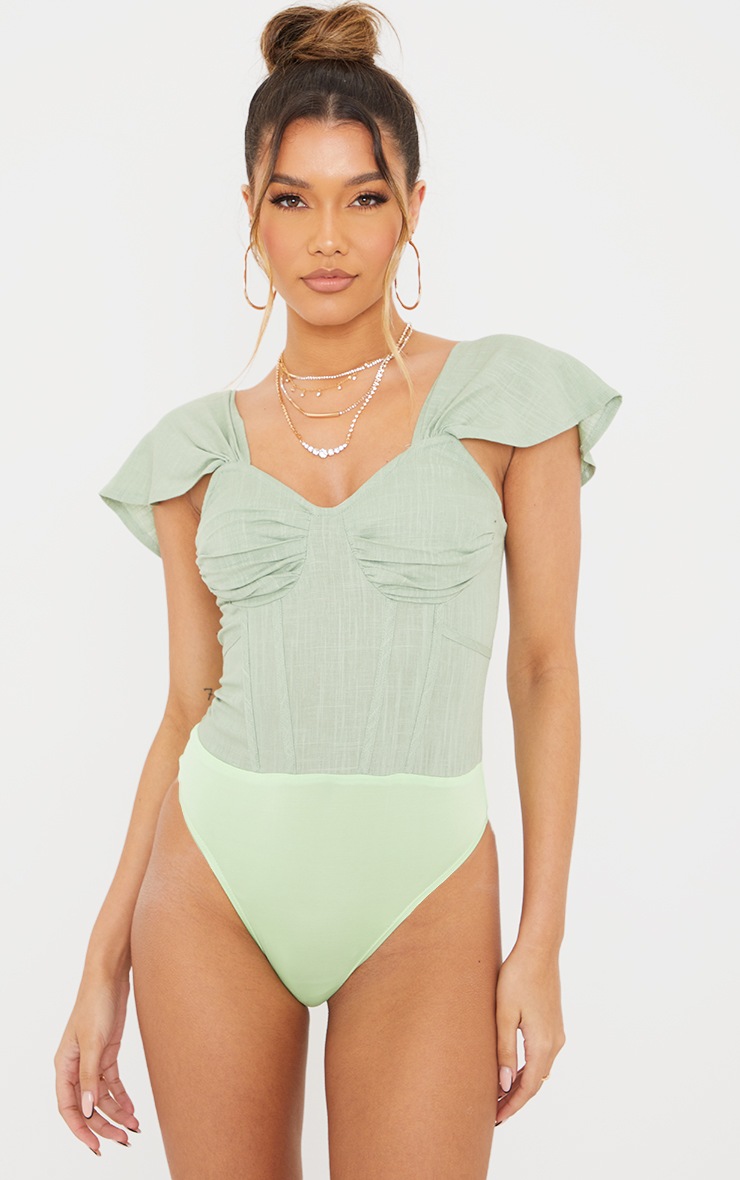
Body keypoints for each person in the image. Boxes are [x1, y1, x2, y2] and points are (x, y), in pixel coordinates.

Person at [53, 2, 623, 1174]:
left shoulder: (508, 402)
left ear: (413, 207)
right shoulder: (195, 449)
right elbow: (184, 706)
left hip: (426, 892)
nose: (327, 238)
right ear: (250, 214)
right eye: (291, 199)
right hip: (210, 885)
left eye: (363, 198)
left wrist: (540, 942)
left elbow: (543, 670)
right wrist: (101, 959)